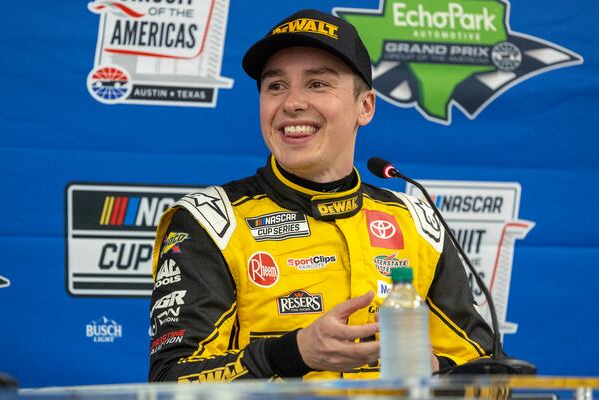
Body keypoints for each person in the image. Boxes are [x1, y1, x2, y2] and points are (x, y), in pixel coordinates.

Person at [148, 9, 493, 382]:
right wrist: (291, 354)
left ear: (365, 106)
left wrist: (439, 371)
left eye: (317, 84)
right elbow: (171, 381)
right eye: (275, 86)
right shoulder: (212, 221)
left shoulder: (417, 222)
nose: (292, 102)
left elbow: (487, 370)